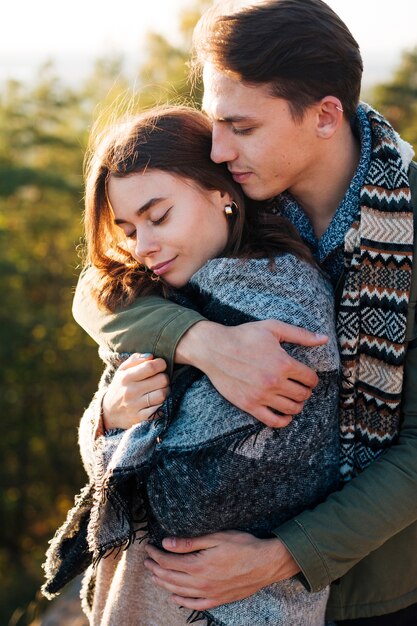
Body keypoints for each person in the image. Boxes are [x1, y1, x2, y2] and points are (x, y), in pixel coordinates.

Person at [69, 1, 417, 624]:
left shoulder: (405, 228)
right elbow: (99, 289)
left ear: (325, 116)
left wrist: (283, 556)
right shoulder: (241, 194)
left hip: (372, 586)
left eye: (242, 126)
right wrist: (200, 341)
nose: (220, 148)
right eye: (214, 123)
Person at [42, 105, 340, 626]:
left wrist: (120, 438)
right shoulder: (164, 296)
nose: (144, 246)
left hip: (240, 611)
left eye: (159, 217)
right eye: (129, 229)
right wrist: (110, 415)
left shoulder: (282, 300)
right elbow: (109, 447)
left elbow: (190, 499)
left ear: (222, 192)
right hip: (139, 601)